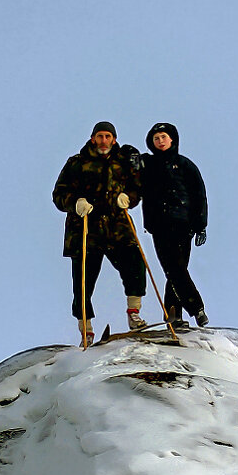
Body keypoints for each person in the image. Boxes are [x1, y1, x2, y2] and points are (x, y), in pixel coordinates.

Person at [52, 121, 147, 344]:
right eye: (100, 136)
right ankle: (86, 329)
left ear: (114, 139)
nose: (104, 141)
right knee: (83, 282)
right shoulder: (77, 163)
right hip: (86, 229)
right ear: (93, 138)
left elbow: (137, 186)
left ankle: (134, 314)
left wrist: (129, 199)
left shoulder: (123, 162)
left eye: (108, 136)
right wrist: (75, 203)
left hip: (117, 227)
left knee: (135, 264)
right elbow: (59, 193)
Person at [140, 122, 208, 329]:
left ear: (173, 140)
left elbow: (199, 195)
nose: (160, 141)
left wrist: (201, 225)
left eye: (164, 137)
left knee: (177, 268)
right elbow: (129, 168)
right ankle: (194, 308)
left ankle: (175, 312)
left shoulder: (185, 165)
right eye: (156, 138)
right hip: (159, 224)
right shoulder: (148, 164)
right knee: (173, 267)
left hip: (183, 224)